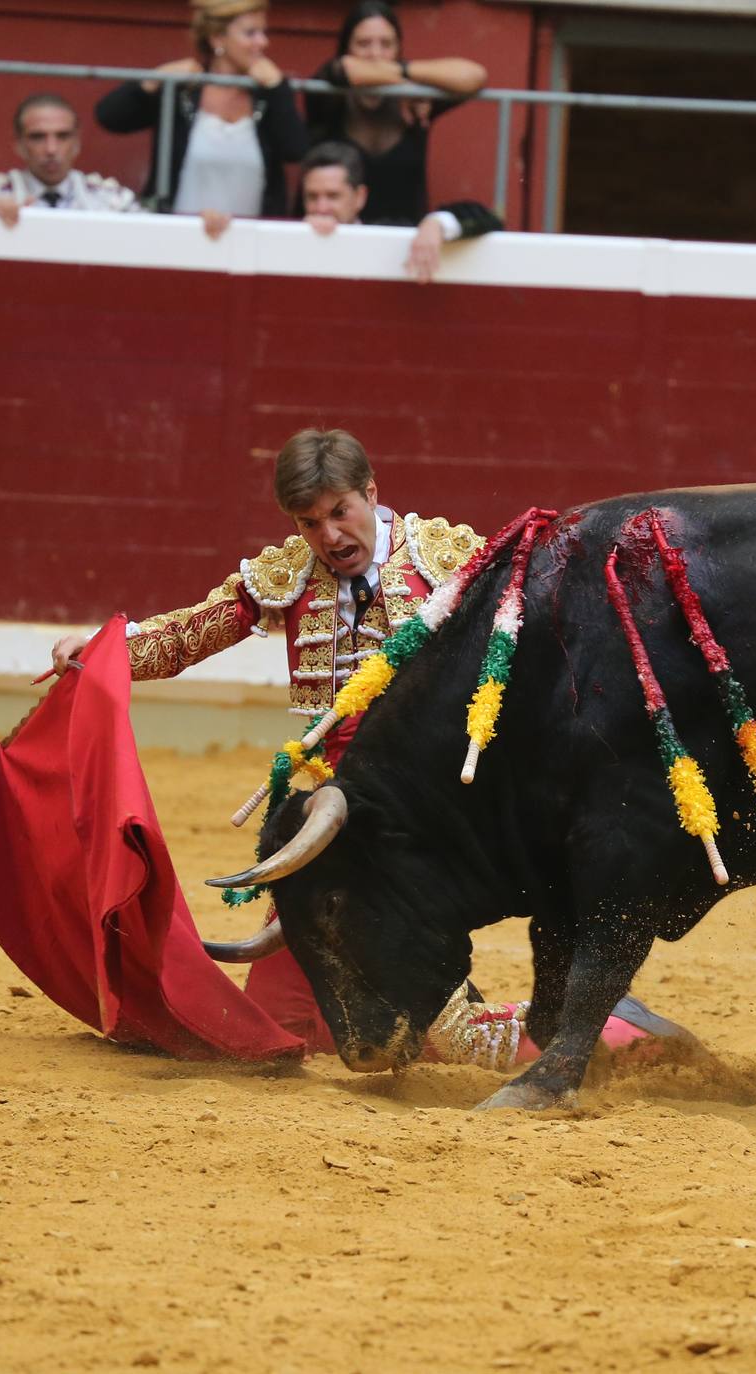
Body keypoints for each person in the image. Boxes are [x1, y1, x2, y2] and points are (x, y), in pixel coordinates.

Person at [46, 430, 688, 1069]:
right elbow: (192, 630)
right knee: (277, 1027)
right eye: (309, 522)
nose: (329, 535)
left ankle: (605, 1024)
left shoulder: (447, 559)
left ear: (371, 493)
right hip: (325, 830)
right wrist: (108, 651)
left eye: (339, 512)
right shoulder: (288, 577)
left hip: (414, 823)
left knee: (447, 1037)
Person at [94, 0, 310, 221]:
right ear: (217, 38)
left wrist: (277, 89)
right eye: (250, 33)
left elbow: (295, 150)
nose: (263, 42)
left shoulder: (267, 95)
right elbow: (109, 117)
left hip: (250, 242)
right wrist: (156, 79)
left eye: (263, 32)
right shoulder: (184, 91)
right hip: (178, 236)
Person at [302, 0, 487, 227]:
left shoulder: (414, 100)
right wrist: (405, 81)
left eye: (386, 44)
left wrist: (405, 74)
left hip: (404, 241)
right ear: (346, 47)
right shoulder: (330, 93)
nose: (375, 54)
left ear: (399, 48)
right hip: (332, 236)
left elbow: (474, 76)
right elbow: (345, 70)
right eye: (363, 43)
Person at [299, 140, 501, 283]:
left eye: (333, 196)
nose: (321, 208)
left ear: (359, 197)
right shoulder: (288, 235)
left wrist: (436, 224)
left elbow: (490, 218)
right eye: (312, 197)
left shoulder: (388, 234)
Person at [0, 94, 138, 229]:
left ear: (76, 142)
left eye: (62, 136)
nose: (51, 149)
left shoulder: (112, 199)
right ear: (19, 144)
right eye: (38, 137)